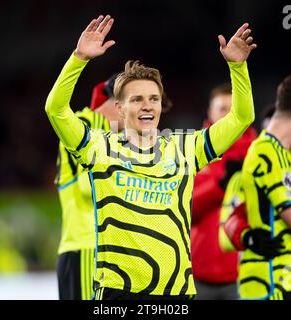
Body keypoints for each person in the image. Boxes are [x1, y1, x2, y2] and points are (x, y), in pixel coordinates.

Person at [45, 14, 256, 300]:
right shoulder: (99, 148)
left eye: (153, 98)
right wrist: (78, 58)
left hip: (176, 294)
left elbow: (242, 117)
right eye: (137, 99)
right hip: (119, 294)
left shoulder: (185, 148)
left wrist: (238, 67)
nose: (147, 106)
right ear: (119, 108)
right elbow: (55, 110)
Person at [55, 75, 124, 300]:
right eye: (137, 101)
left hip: (106, 251)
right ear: (119, 104)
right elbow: (90, 187)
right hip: (87, 248)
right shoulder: (87, 123)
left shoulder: (113, 131)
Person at [222, 81, 291, 299]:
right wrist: (247, 236)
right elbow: (225, 230)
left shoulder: (283, 154)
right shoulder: (264, 153)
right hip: (269, 282)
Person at [191, 83, 257, 300]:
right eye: (222, 109)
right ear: (210, 112)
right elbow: (184, 208)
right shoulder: (193, 149)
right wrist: (220, 185)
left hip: (246, 270)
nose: (227, 115)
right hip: (198, 272)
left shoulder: (258, 152)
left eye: (232, 109)